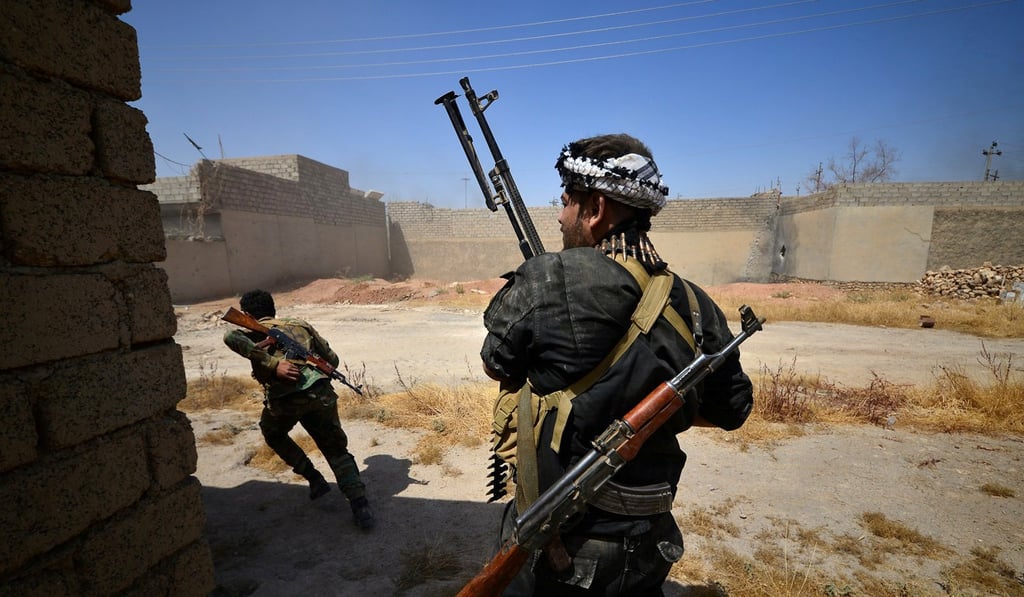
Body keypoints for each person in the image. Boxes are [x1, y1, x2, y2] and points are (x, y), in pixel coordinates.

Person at [481, 133, 754, 595]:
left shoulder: (549, 277)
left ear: (596, 210)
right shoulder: (695, 302)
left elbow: (497, 363)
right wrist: (660, 409)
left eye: (567, 200)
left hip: (563, 543)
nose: (560, 213)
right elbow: (732, 410)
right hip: (654, 543)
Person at [223, 289, 375, 530]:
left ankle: (313, 477)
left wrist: (272, 364)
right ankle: (360, 505)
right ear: (273, 309)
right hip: (320, 396)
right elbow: (332, 359)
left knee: (272, 432)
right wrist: (275, 364)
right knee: (336, 450)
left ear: (247, 314)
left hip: (286, 402)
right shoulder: (298, 325)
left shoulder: (250, 332)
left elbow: (230, 337)